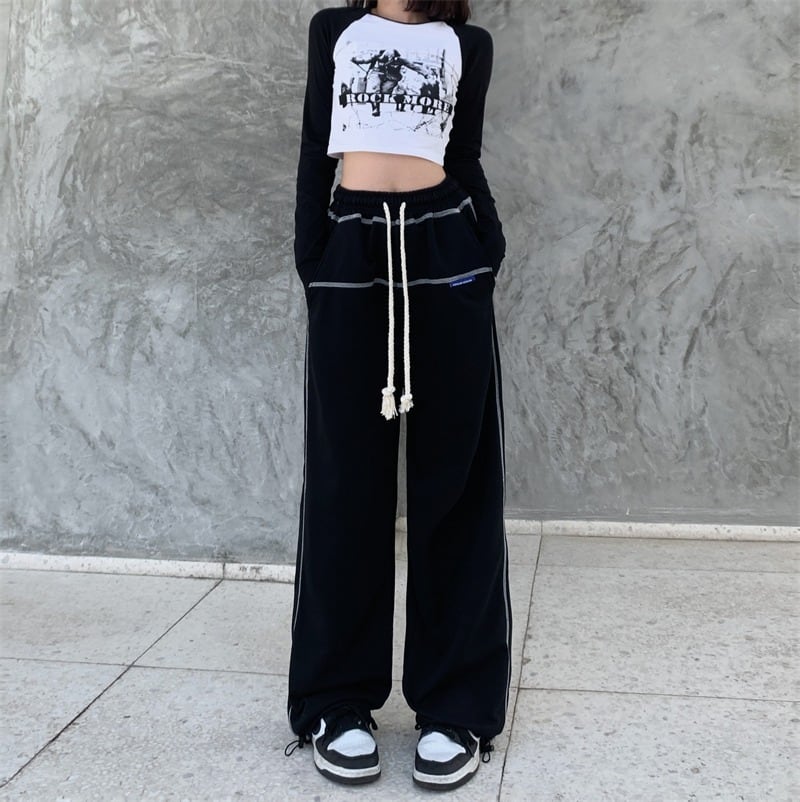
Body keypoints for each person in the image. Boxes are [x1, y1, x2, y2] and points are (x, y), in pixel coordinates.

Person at [285, 0, 510, 791]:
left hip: (446, 250)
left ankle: (456, 707)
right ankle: (335, 701)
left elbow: (463, 151)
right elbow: (317, 144)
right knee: (345, 481)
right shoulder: (336, 31)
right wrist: (314, 254)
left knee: (458, 481)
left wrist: (487, 245)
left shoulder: (465, 43)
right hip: (351, 252)